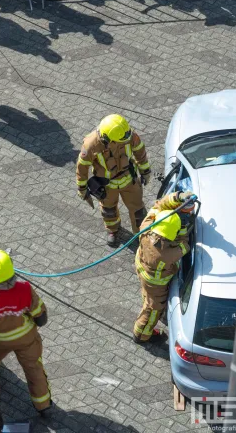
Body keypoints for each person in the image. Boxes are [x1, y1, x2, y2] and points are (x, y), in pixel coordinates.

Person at [0, 249, 52, 416]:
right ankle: (43, 405)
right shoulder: (25, 290)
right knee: (34, 370)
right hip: (27, 339)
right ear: (11, 267)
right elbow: (41, 319)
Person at [76, 114, 151, 246]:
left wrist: (145, 171)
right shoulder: (91, 145)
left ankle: (141, 233)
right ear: (108, 139)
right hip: (107, 185)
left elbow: (140, 152)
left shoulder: (127, 134)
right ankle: (113, 230)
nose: (126, 140)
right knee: (108, 211)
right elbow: (82, 168)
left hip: (129, 180)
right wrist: (82, 188)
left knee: (138, 210)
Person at [133, 191, 194, 344]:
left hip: (142, 267)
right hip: (156, 283)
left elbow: (158, 205)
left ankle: (145, 311)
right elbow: (185, 244)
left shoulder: (147, 226)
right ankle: (142, 334)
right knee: (153, 309)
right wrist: (183, 228)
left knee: (147, 297)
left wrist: (177, 198)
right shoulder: (167, 254)